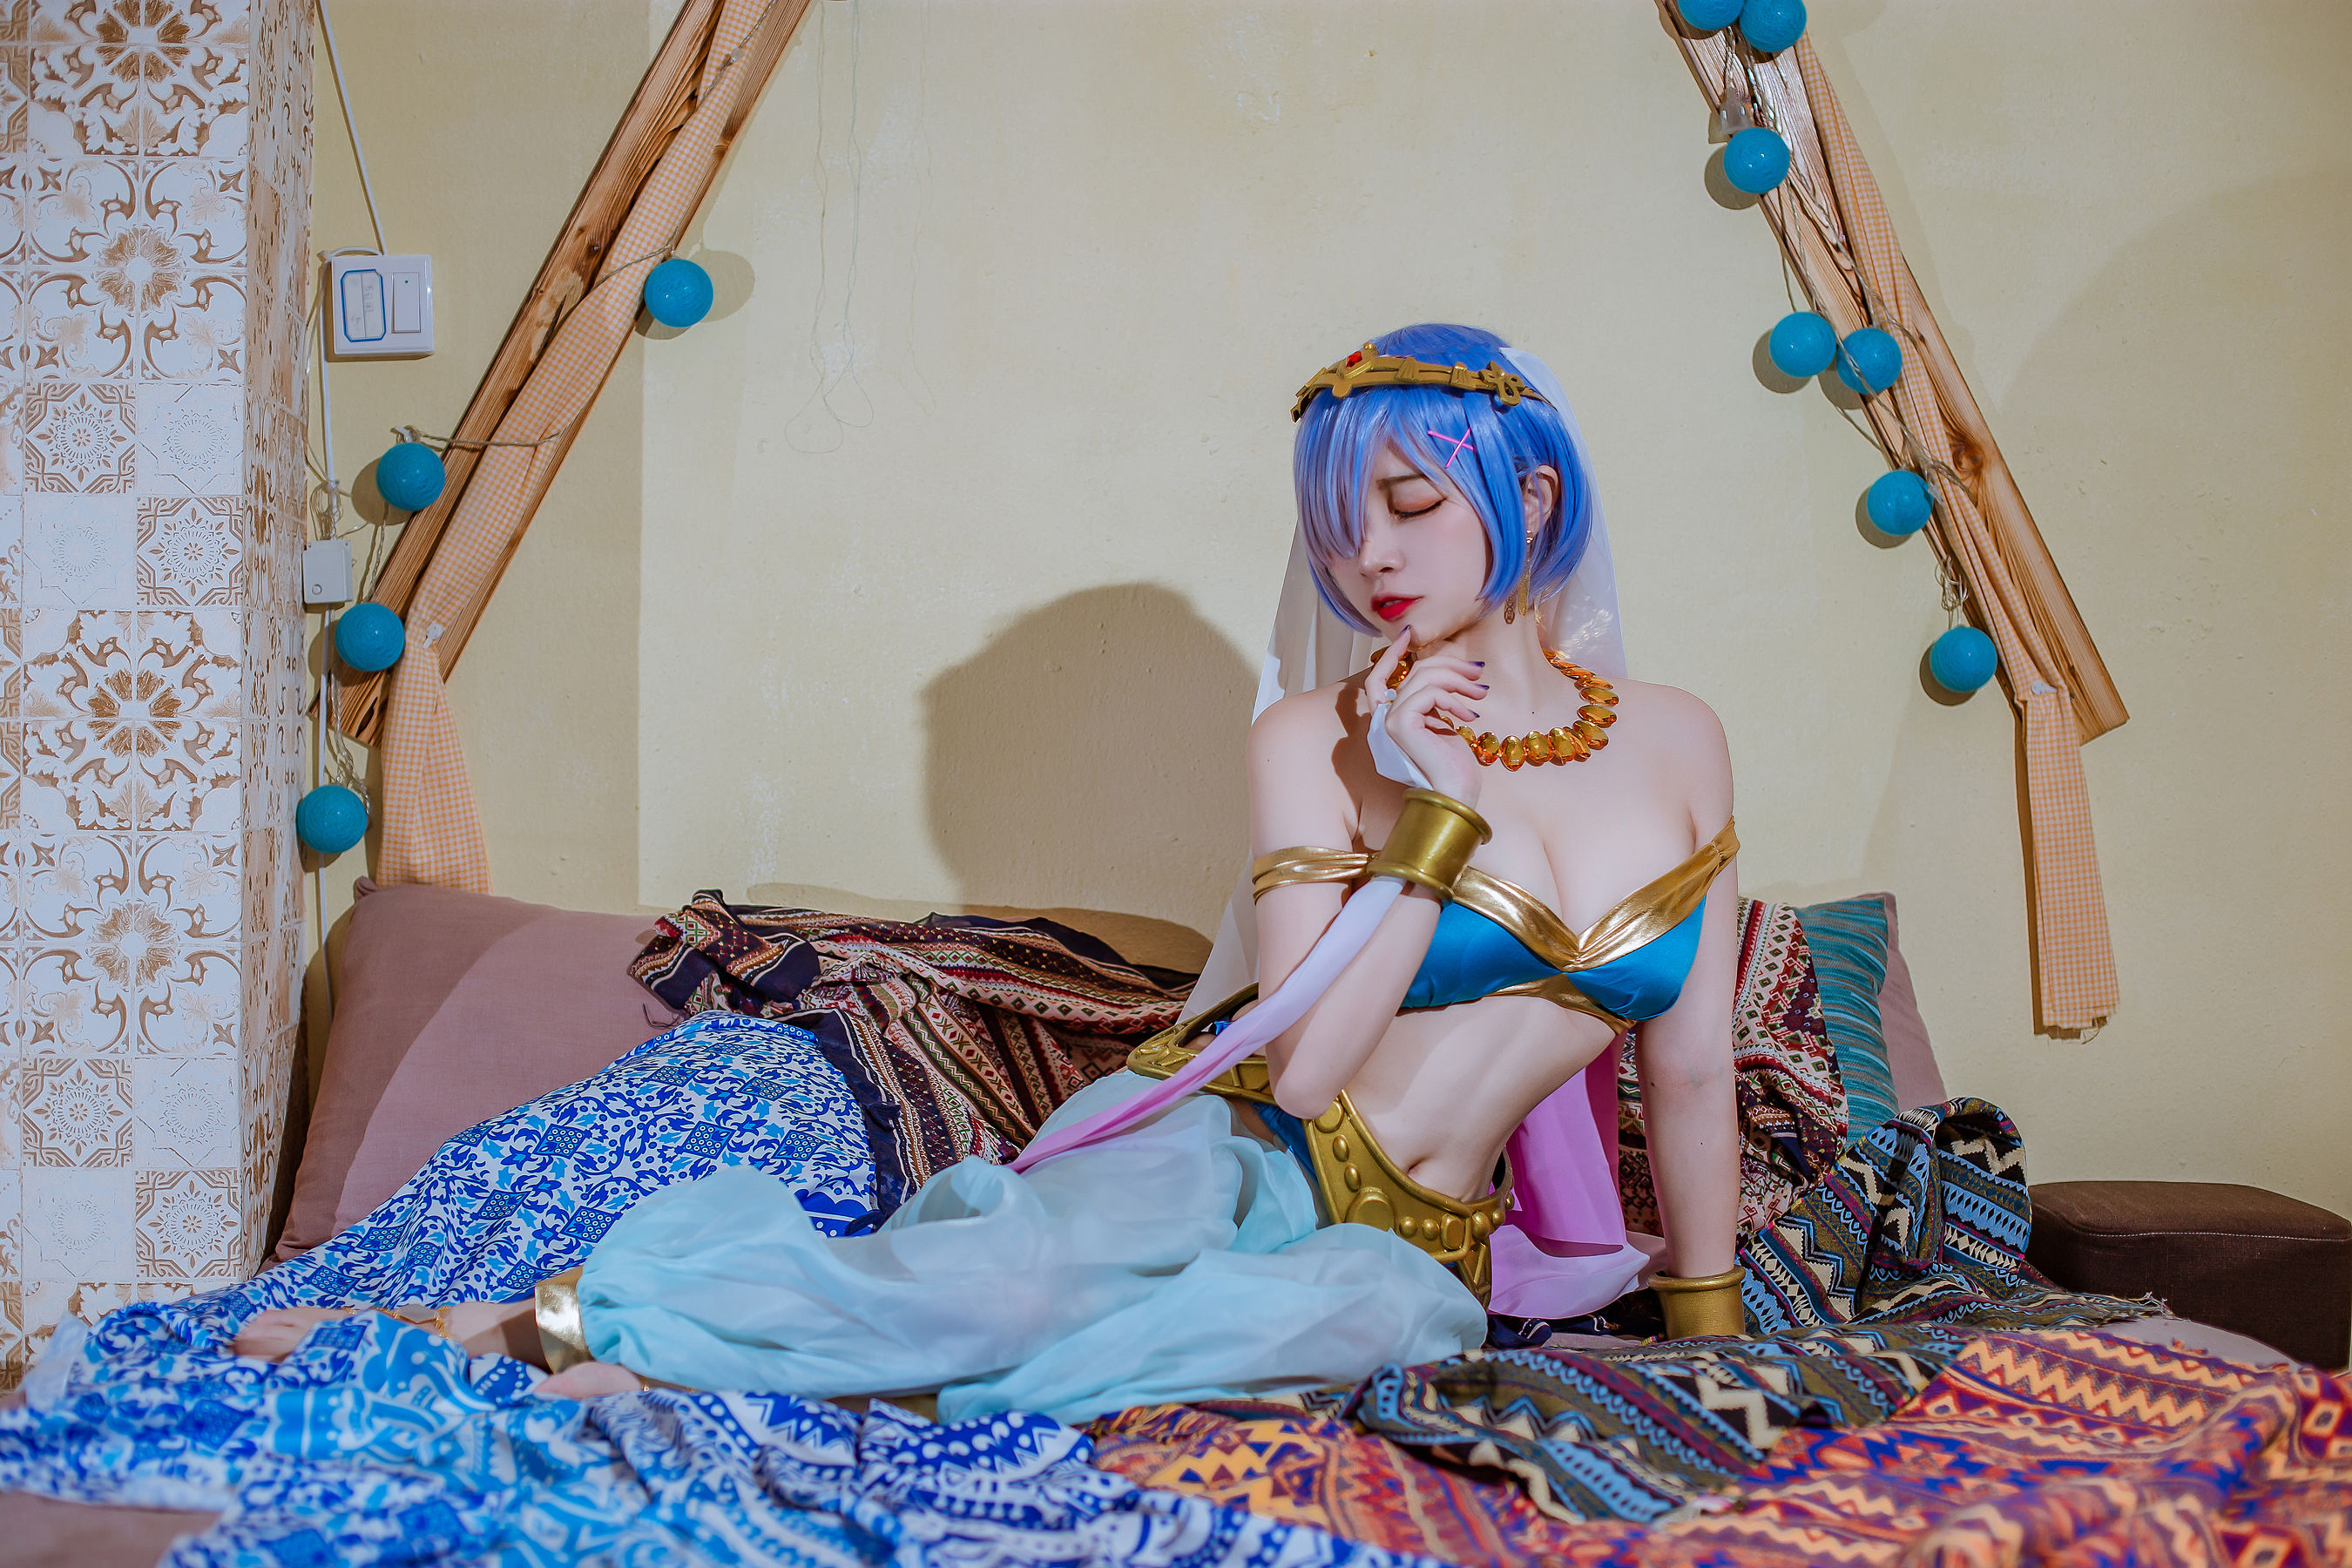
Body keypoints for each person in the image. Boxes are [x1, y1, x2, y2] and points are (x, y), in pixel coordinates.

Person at [234, 322, 1744, 1418]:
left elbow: (1689, 1075)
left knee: (1232, 1364)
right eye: (1339, 527)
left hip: (1418, 1254)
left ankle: (691, 1376)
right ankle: (531, 1330)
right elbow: (1303, 1071)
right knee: (1019, 1291)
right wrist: (1432, 811)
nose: (1370, 560)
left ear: (1533, 501)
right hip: (1240, 1156)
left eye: (1411, 507)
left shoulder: (1679, 743)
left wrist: (1718, 1337)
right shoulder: (1318, 740)